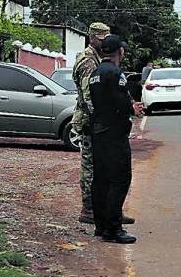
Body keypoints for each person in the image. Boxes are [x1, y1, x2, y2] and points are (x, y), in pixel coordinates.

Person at [89, 35, 144, 244]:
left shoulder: (95, 73)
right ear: (120, 51)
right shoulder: (115, 73)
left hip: (98, 131)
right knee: (120, 179)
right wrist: (132, 107)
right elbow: (120, 103)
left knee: (101, 179)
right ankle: (113, 228)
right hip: (114, 132)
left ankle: (101, 225)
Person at [72, 22, 111, 224]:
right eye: (101, 39)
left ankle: (99, 207)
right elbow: (90, 97)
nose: (103, 43)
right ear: (92, 38)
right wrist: (100, 120)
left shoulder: (95, 58)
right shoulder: (88, 61)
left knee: (98, 164)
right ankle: (88, 208)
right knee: (89, 165)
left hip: (92, 120)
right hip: (88, 120)